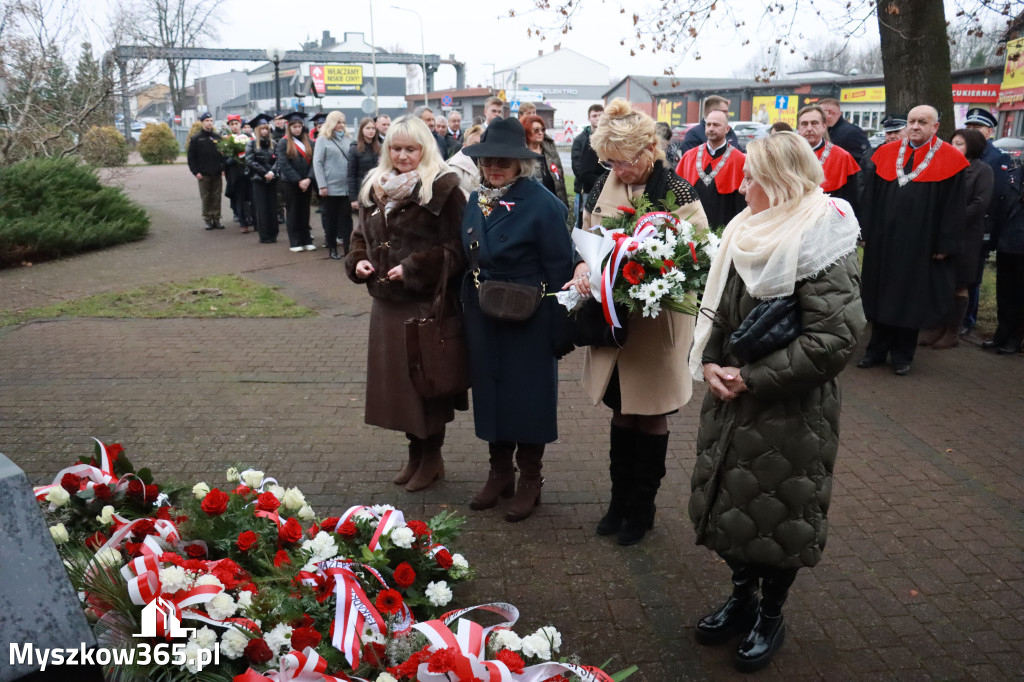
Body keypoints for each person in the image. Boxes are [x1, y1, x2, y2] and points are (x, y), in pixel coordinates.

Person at [687, 131, 864, 673]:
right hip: (733, 400)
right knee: (733, 511)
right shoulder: (748, 228)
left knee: (777, 517)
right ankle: (742, 599)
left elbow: (835, 337)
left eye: (751, 178)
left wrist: (754, 378)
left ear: (780, 182)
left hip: (790, 411)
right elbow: (720, 305)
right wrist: (713, 362)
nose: (739, 187)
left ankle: (771, 613)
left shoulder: (822, 235)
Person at [568, 97, 709, 546]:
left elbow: (699, 253)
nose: (617, 170)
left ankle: (642, 507)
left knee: (649, 415)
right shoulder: (599, 186)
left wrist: (658, 273)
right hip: (613, 323)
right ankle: (618, 500)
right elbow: (587, 236)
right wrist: (581, 268)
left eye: (624, 161)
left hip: (656, 324)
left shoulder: (679, 191)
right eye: (609, 161)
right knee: (620, 412)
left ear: (649, 151)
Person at [459, 116, 574, 522]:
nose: (495, 167)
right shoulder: (476, 199)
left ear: (520, 165)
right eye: (489, 159)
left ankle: (530, 479)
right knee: (491, 394)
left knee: (528, 398)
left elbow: (562, 269)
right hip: (483, 312)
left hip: (528, 315)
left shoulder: (543, 202)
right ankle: (499, 473)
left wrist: (561, 325)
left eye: (504, 162)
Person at [345, 116, 468, 492]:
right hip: (386, 306)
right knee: (398, 390)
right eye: (395, 148)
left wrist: (413, 267)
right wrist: (358, 261)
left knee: (425, 384)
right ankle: (416, 454)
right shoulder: (375, 187)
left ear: (425, 149)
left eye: (410, 149)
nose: (402, 155)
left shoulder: (444, 189)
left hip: (424, 306)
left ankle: (432, 458)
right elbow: (358, 238)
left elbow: (457, 249)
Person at [856, 105, 968, 375]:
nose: (915, 126)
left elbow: (954, 207)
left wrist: (944, 244)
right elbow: (869, 196)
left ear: (935, 127)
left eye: (922, 122)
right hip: (884, 241)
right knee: (881, 293)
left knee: (910, 298)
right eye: (911, 121)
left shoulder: (951, 159)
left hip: (921, 243)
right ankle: (876, 350)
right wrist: (866, 232)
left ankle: (903, 356)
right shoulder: (885, 153)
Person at [922, 128, 991, 349]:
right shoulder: (947, 167)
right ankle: (938, 327)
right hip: (943, 234)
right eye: (952, 142)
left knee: (959, 284)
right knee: (942, 282)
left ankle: (952, 332)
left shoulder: (982, 170)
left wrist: (952, 222)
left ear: (972, 145)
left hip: (966, 236)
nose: (954, 147)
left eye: (959, 143)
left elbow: (979, 204)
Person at [964, 107, 1011, 339]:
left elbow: (997, 196)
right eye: (969, 127)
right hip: (961, 225)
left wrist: (990, 231)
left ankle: (968, 319)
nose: (971, 131)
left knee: (973, 276)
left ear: (989, 132)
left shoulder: (997, 157)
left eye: (977, 128)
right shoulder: (963, 154)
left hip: (982, 226)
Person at [676, 109, 746, 229]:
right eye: (708, 124)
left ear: (727, 129)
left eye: (716, 125)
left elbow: (742, 204)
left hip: (724, 225)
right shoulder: (689, 156)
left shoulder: (739, 159)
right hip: (692, 227)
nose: (711, 128)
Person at [796, 104, 861, 212]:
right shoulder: (787, 155)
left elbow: (854, 198)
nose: (809, 128)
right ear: (798, 128)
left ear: (824, 126)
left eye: (814, 123)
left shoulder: (842, 157)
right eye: (804, 124)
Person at [313, 110, 354, 259]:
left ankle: (348, 249)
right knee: (331, 220)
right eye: (338, 122)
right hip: (330, 187)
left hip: (346, 187)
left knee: (346, 220)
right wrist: (322, 185)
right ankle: (332, 248)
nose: (341, 125)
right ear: (331, 123)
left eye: (343, 122)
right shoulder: (323, 139)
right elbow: (317, 163)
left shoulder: (349, 139)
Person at [275, 111, 317, 253]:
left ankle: (306, 239)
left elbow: (314, 163)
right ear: (289, 127)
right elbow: (284, 164)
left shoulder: (309, 142)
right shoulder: (283, 142)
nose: (297, 129)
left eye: (299, 126)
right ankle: (295, 241)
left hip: (307, 182)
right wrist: (298, 180)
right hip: (291, 183)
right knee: (293, 211)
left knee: (305, 212)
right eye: (294, 127)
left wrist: (309, 178)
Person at [521, 114, 569, 209]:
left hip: (555, 203)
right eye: (536, 130)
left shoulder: (550, 149)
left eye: (542, 129)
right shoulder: (522, 154)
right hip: (534, 206)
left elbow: (560, 179)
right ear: (526, 132)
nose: (540, 133)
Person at [245, 113, 279, 244]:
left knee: (272, 207)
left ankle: (273, 234)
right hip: (258, 180)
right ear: (257, 131)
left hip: (272, 180)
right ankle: (264, 235)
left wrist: (272, 172)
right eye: (262, 129)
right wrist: (264, 173)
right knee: (262, 208)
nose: (264, 131)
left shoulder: (274, 144)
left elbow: (279, 160)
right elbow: (249, 161)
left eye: (266, 129)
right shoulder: (251, 144)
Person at [186, 112, 224, 231]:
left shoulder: (217, 137)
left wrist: (222, 168)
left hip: (216, 172)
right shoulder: (196, 139)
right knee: (206, 197)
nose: (209, 123)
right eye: (207, 120)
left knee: (217, 196)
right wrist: (195, 172)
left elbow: (223, 154)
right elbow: (191, 158)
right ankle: (208, 219)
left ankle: (216, 219)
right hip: (203, 174)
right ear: (202, 122)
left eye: (211, 121)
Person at [571, 104, 604, 228]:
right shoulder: (581, 139)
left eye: (600, 115)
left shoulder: (608, 138)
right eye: (594, 115)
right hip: (586, 189)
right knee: (583, 223)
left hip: (604, 189)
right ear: (589, 118)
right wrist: (599, 182)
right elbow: (577, 167)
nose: (597, 118)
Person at [223, 114, 253, 232]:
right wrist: (236, 157)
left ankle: (254, 220)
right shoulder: (227, 140)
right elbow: (225, 161)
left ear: (240, 124)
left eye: (236, 124)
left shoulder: (248, 138)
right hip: (236, 175)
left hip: (248, 172)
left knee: (252, 198)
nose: (234, 127)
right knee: (239, 199)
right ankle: (243, 223)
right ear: (229, 126)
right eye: (232, 124)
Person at [349, 117, 382, 212]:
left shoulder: (380, 147)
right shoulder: (355, 149)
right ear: (361, 130)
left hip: (378, 190)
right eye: (367, 128)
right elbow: (351, 174)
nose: (371, 131)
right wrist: (353, 198)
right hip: (362, 190)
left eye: (373, 128)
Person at [447, 124, 484, 197]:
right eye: (475, 144)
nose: (479, 147)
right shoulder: (455, 165)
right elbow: (455, 190)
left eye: (481, 144)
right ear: (465, 145)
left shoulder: (487, 163)